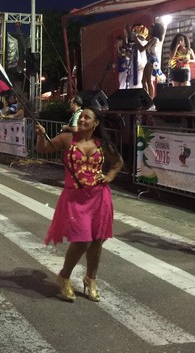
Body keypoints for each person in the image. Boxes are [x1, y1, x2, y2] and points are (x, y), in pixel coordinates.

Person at [35, 107, 123, 302]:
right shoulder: (67, 139)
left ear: (96, 123)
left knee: (97, 240)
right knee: (82, 239)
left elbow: (117, 163)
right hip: (75, 198)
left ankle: (90, 279)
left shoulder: (102, 144)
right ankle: (64, 276)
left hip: (99, 198)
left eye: (87, 117)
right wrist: (41, 136)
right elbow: (43, 149)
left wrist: (109, 176)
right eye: (81, 116)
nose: (82, 120)